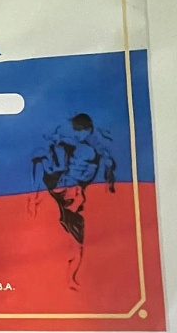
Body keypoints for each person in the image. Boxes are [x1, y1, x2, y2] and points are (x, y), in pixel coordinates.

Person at [30, 113, 115, 289]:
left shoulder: (90, 148)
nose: (75, 134)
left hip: (72, 196)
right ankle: (35, 199)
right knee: (41, 159)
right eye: (74, 131)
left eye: (79, 131)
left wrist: (109, 182)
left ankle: (70, 279)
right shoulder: (72, 149)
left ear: (87, 131)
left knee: (78, 246)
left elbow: (99, 161)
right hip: (63, 188)